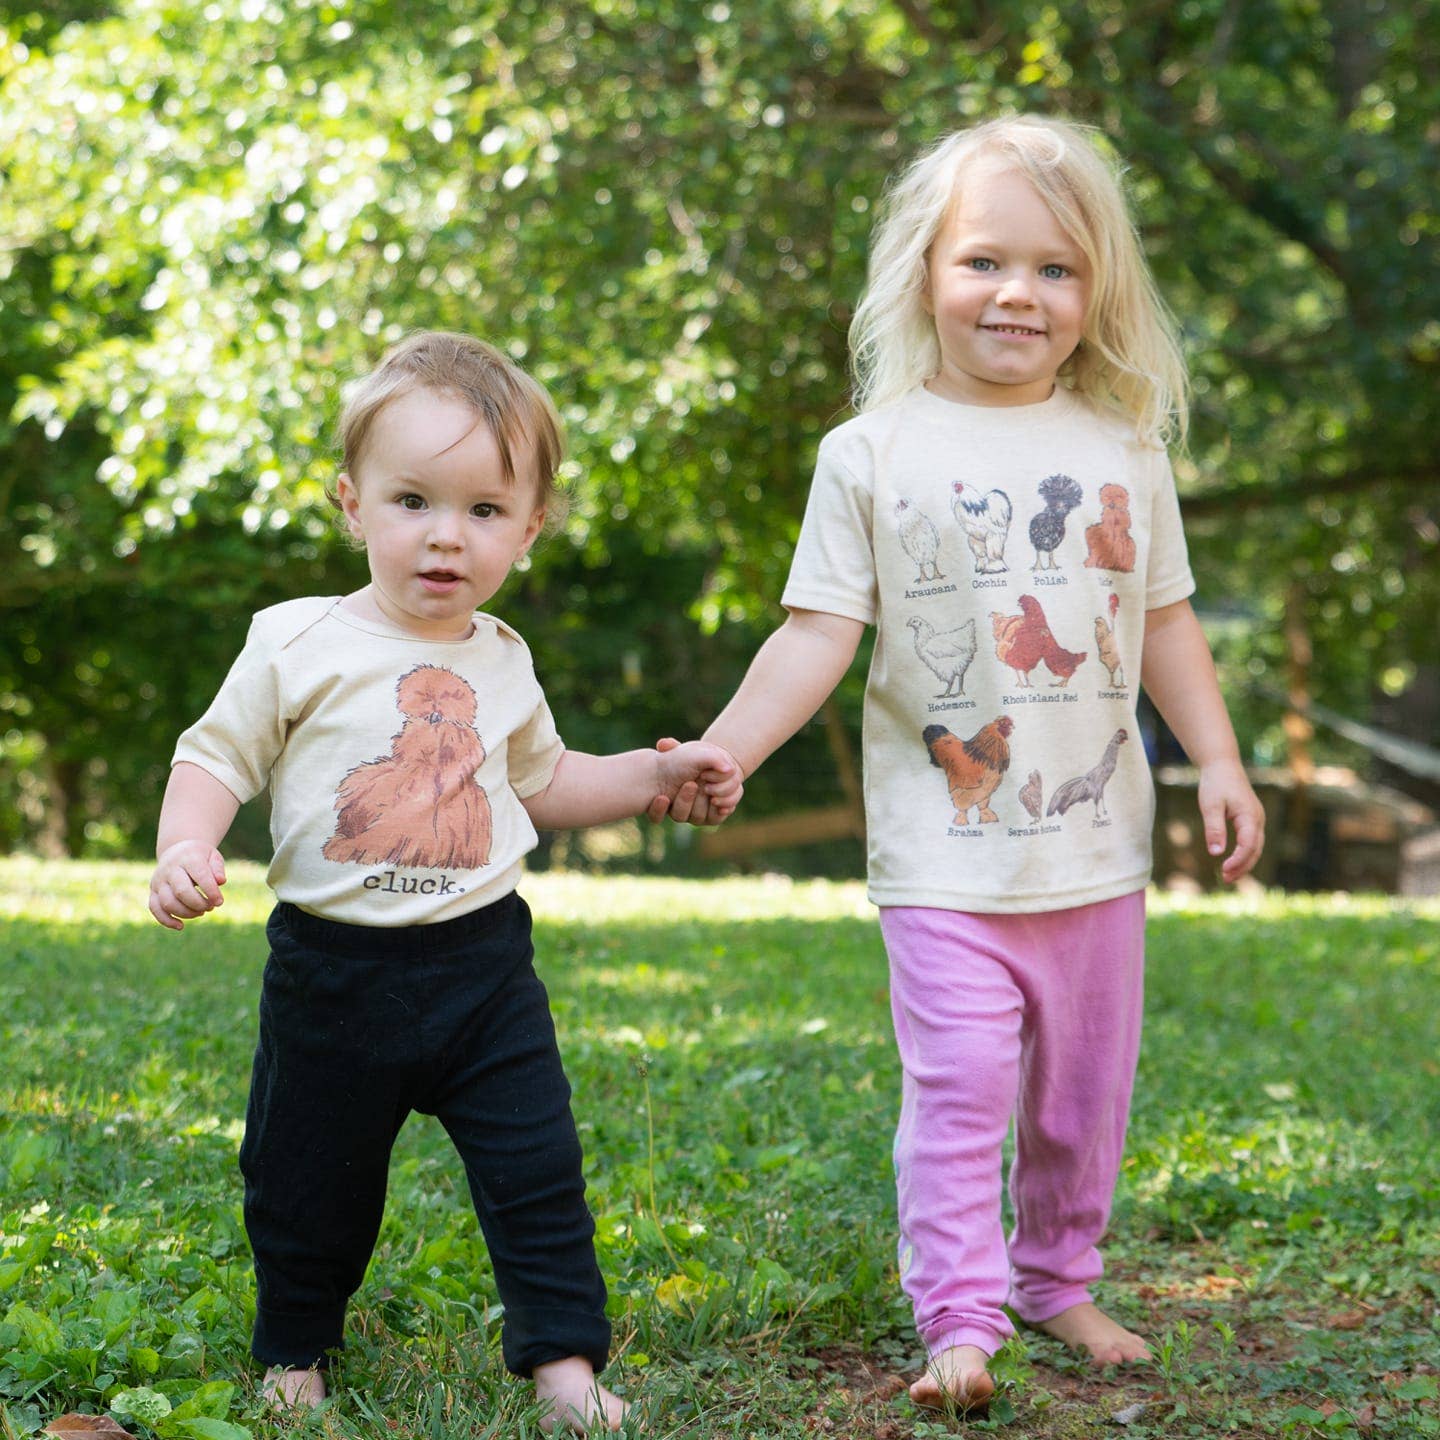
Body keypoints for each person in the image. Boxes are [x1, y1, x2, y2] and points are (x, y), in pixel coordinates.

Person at [653, 115, 1264, 1412]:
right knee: (965, 1085)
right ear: (925, 271)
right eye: (986, 260)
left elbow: (1163, 621)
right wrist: (728, 748)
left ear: (1097, 289)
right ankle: (961, 1322)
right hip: (943, 854)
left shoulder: (1123, 445)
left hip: (1095, 850)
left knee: (1079, 1100)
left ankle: (1059, 1277)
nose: (1019, 294)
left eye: (1057, 268)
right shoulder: (872, 455)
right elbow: (818, 631)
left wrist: (1219, 758)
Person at [147, 330, 742, 1433]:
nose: (444, 537)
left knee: (538, 1170)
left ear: (530, 525)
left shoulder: (504, 656)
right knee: (305, 1177)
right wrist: (189, 843)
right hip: (334, 974)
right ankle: (295, 1352)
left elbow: (548, 780)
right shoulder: (297, 641)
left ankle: (565, 1365)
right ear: (351, 502)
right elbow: (214, 757)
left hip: (483, 969)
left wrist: (656, 774)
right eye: (413, 499)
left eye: (482, 510)